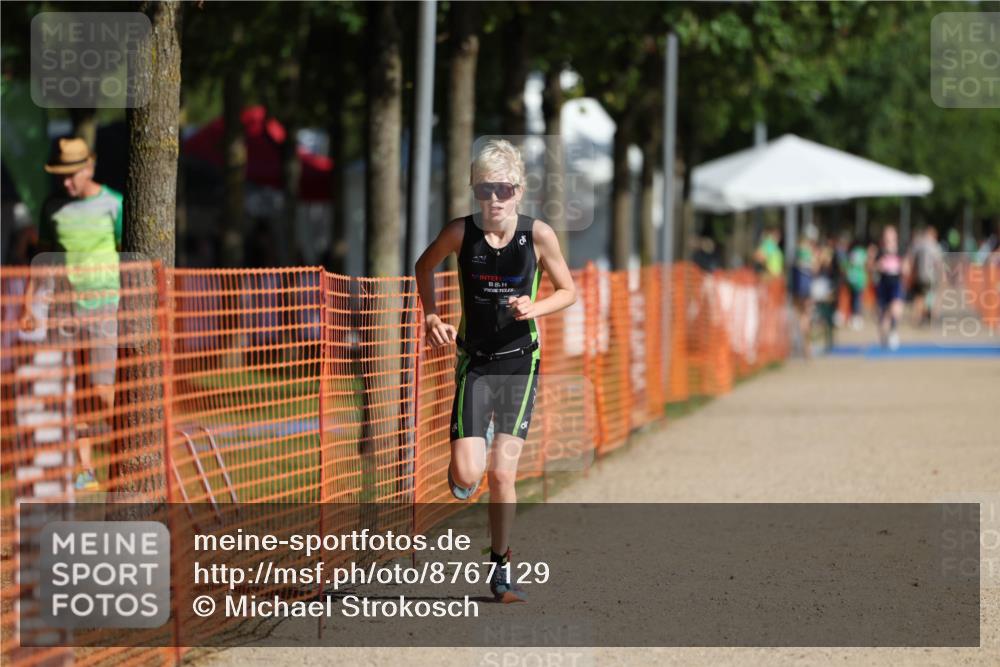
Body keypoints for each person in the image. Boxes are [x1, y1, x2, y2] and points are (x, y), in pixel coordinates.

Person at [415, 139, 576, 603]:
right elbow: (424, 267)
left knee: (503, 476)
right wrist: (430, 316)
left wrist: (535, 306)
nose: (494, 200)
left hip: (521, 363)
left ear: (519, 190)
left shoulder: (538, 235)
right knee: (468, 476)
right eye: (485, 189)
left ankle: (501, 565)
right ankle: (471, 458)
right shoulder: (459, 233)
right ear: (475, 191)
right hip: (475, 363)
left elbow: (568, 291)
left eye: (503, 189)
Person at [19, 137, 123, 491]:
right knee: (74, 391)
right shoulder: (52, 208)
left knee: (101, 388)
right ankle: (85, 470)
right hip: (63, 311)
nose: (65, 183)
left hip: (104, 308)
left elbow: (127, 254)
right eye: (60, 176)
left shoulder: (115, 205)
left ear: (88, 169)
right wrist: (29, 303)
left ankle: (126, 452)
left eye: (71, 176)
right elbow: (43, 257)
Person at [870, 225, 904, 351]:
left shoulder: (900, 250)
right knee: (882, 314)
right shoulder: (879, 252)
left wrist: (904, 267)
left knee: (896, 309)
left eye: (891, 235)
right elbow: (871, 267)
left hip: (895, 283)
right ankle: (884, 334)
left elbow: (906, 267)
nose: (889, 239)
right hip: (883, 284)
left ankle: (893, 331)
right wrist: (878, 266)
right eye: (886, 236)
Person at [791, 225, 819, 357]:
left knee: (799, 314)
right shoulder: (808, 250)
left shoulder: (798, 249)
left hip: (798, 287)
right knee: (806, 316)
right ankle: (806, 346)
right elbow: (814, 268)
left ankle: (801, 344)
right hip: (805, 287)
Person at [909, 226, 943, 326]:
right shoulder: (934, 246)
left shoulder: (918, 245)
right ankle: (930, 318)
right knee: (930, 297)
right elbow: (938, 263)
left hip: (920, 276)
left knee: (920, 298)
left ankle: (919, 318)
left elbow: (912, 259)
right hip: (930, 277)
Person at [844, 237, 869, 330]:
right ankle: (856, 318)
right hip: (860, 278)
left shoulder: (852, 252)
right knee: (858, 299)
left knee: (853, 298)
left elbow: (849, 263)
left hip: (852, 277)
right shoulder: (863, 252)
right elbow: (865, 264)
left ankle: (853, 317)